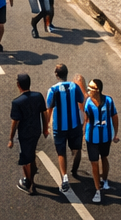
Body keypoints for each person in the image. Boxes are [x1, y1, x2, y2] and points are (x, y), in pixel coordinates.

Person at [46, 63, 84, 194]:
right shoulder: (75, 87)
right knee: (77, 148)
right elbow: (81, 101)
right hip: (74, 125)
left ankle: (65, 177)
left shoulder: (53, 89)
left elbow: (49, 108)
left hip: (59, 127)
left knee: (61, 153)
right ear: (67, 73)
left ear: (56, 75)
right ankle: (75, 168)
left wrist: (46, 126)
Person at [81, 76, 118, 205]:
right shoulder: (88, 103)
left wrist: (115, 134)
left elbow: (114, 116)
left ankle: (105, 180)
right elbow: (87, 119)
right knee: (94, 163)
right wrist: (83, 133)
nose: (89, 89)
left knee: (104, 157)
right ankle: (97, 189)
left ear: (98, 90)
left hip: (105, 137)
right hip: (92, 138)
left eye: (91, 87)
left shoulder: (108, 101)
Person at [8, 73, 46, 195]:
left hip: (24, 134)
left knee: (25, 159)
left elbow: (15, 122)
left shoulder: (17, 102)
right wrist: (45, 129)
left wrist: (11, 138)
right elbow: (44, 113)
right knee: (31, 152)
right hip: (36, 131)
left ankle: (28, 184)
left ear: (18, 85)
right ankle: (31, 174)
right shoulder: (38, 96)